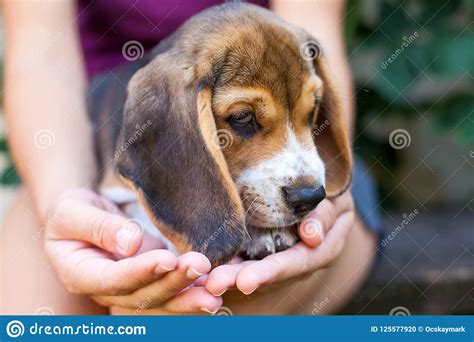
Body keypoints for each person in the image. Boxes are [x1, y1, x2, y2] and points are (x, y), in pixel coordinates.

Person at [1, 0, 380, 315]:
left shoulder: (306, 173)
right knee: (30, 321)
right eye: (244, 118)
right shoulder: (170, 105)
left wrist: (331, 194)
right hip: (80, 143)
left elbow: (312, 33)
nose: (300, 176)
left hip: (261, 98)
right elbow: (41, 57)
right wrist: (65, 203)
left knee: (200, 315)